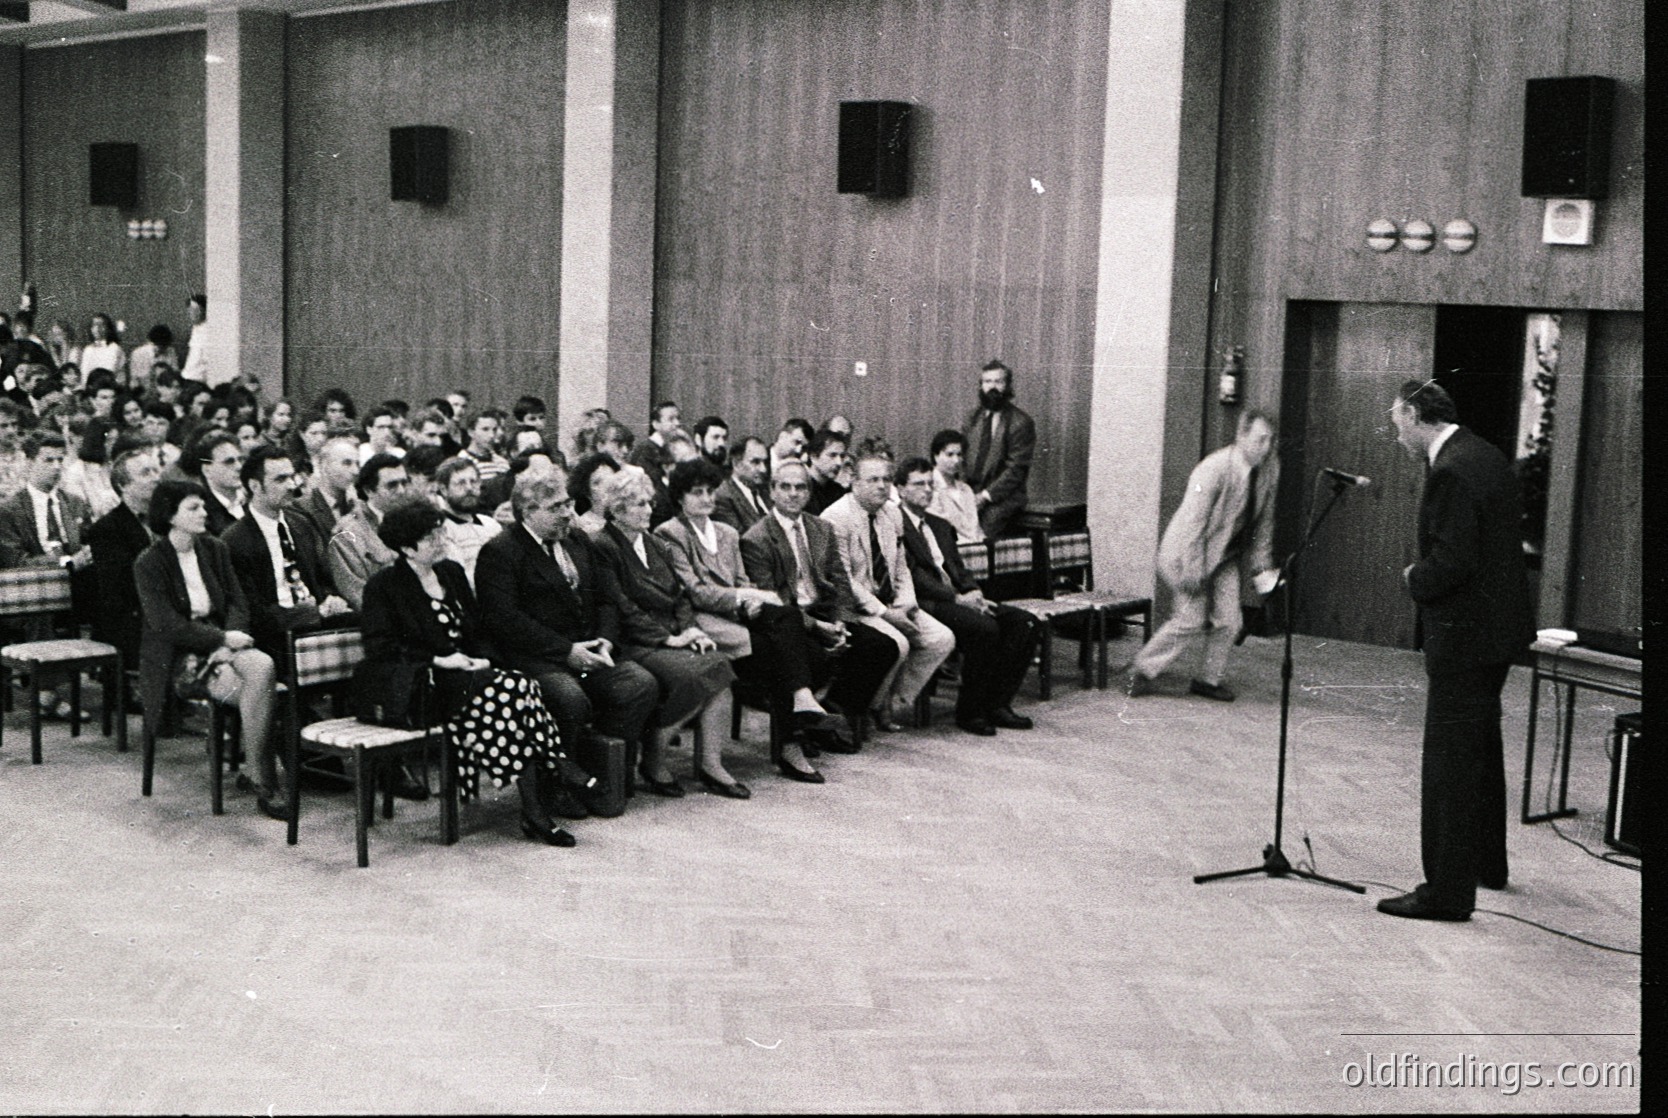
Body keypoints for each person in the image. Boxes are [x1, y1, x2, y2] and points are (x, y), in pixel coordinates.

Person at [1376, 379, 1534, 923]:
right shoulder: (1484, 454)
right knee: (1481, 751)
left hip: (1465, 638)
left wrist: (1414, 577)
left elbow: (1452, 560)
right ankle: (1488, 865)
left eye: (1397, 421)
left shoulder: (1449, 471)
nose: (1395, 433)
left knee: (1450, 763)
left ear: (1417, 414)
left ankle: (1445, 893)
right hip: (1495, 635)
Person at [359, 501, 587, 847]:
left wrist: (479, 659)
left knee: (512, 690)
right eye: (431, 536)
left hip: (472, 683)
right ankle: (555, 765)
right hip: (427, 688)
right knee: (513, 687)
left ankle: (536, 810)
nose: (441, 540)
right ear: (406, 548)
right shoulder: (385, 586)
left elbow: (478, 629)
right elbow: (380, 648)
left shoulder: (450, 572)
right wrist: (440, 659)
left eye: (440, 531)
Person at [656, 458, 848, 783]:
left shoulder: (728, 532)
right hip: (702, 621)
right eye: (696, 493)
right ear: (679, 498)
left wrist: (750, 601)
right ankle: (791, 742)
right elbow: (696, 592)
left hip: (738, 615)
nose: (706, 498)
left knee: (794, 630)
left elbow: (744, 579)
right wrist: (749, 598)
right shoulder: (670, 533)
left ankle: (799, 707)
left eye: (709, 491)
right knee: (787, 655)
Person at [473, 472, 658, 771]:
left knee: (640, 684)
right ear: (528, 511)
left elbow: (606, 599)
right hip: (539, 658)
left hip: (591, 650)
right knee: (569, 698)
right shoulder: (501, 551)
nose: (567, 513)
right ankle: (559, 779)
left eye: (568, 503)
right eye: (555, 507)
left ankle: (601, 766)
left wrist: (606, 641)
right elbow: (505, 620)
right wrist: (567, 651)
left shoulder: (577, 539)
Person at [133, 479, 281, 817]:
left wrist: (230, 637)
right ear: (170, 515)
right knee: (256, 688)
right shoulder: (149, 562)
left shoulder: (215, 549)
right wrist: (219, 641)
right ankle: (263, 778)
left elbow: (237, 602)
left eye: (202, 505)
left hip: (227, 643)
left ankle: (258, 773)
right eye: (193, 507)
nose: (204, 512)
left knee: (263, 667)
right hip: (180, 656)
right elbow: (165, 624)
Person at [590, 467, 737, 798]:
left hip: (673, 635)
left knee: (719, 670)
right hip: (636, 642)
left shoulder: (656, 544)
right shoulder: (603, 545)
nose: (649, 509)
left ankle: (710, 764)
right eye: (639, 504)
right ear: (617, 509)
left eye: (649, 502)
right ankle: (655, 752)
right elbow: (620, 604)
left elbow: (681, 597)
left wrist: (692, 630)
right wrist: (669, 638)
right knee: (713, 670)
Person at [740, 461, 899, 748]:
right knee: (815, 655)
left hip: (824, 612)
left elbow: (841, 582)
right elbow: (774, 603)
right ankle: (810, 724)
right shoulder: (757, 539)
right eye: (785, 487)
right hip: (787, 620)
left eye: (800, 487)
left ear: (809, 492)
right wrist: (817, 627)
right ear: (772, 492)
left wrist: (839, 622)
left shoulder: (822, 528)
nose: (793, 493)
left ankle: (835, 712)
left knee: (882, 647)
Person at [1128, 409, 1279, 702]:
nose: (1266, 448)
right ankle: (1141, 671)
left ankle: (1208, 680)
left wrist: (1262, 567)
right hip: (1186, 552)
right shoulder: (1214, 468)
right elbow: (1193, 524)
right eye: (1260, 440)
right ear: (1241, 436)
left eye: (1271, 441)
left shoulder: (1270, 469)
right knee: (1190, 619)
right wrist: (1193, 568)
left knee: (1230, 622)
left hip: (1224, 555)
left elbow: (1265, 523)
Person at [895, 456, 1040, 735]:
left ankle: (998, 704)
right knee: (984, 628)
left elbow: (958, 567)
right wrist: (958, 599)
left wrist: (973, 590)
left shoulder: (938, 524)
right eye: (917, 484)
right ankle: (970, 711)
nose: (926, 489)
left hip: (959, 597)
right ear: (900, 489)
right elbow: (915, 577)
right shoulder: (895, 523)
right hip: (929, 604)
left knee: (1024, 622)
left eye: (929, 484)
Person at [820, 454, 955, 731]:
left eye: (886, 480)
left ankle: (891, 701)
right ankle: (871, 707)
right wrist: (886, 614)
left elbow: (901, 566)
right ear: (854, 482)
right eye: (873, 480)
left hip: (893, 600)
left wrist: (906, 604)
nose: (882, 486)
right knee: (899, 643)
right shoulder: (836, 517)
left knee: (941, 638)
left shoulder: (892, 513)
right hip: (858, 606)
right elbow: (844, 580)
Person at [219, 446, 354, 656]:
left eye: (292, 477)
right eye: (280, 479)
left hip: (316, 622)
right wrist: (307, 613)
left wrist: (330, 598)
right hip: (275, 636)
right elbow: (252, 611)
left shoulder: (301, 523)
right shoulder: (234, 541)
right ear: (255, 486)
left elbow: (322, 577)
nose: (292, 485)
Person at [87, 447, 162, 677]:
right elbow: (122, 589)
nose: (156, 478)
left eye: (156, 470)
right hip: (131, 618)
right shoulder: (107, 529)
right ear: (123, 485)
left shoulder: (167, 520)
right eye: (145, 473)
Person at [961, 359, 1036, 537]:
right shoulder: (972, 417)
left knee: (982, 534)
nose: (992, 387)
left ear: (1007, 386)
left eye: (998, 382)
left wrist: (985, 496)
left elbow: (1016, 470)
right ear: (981, 386)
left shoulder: (1020, 422)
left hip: (1002, 498)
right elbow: (960, 457)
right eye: (987, 382)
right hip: (970, 493)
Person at [0, 430, 93, 572]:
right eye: (48, 460)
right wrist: (67, 563)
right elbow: (14, 561)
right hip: (36, 586)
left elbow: (90, 545)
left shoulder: (75, 503)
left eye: (60, 460)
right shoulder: (10, 510)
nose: (56, 467)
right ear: (29, 462)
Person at [326, 453, 410, 610]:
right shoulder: (347, 536)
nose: (401, 491)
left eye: (404, 483)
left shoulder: (417, 522)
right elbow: (359, 595)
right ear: (369, 491)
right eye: (392, 485)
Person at [434, 455, 501, 584]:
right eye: (461, 483)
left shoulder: (491, 524)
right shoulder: (442, 530)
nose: (469, 488)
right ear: (443, 489)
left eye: (473, 481)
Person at [183, 431, 247, 535]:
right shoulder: (201, 512)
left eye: (241, 460)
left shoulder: (254, 500)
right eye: (229, 462)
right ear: (207, 470)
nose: (239, 467)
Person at [926, 428, 983, 544]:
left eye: (959, 455)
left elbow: (975, 527)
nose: (956, 460)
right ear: (936, 455)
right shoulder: (929, 488)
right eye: (950, 455)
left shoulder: (966, 489)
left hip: (975, 548)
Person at [299, 434, 361, 537]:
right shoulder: (302, 510)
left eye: (357, 464)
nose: (356, 471)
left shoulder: (356, 507)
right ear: (324, 465)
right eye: (347, 463)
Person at [713, 436, 770, 533]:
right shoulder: (722, 498)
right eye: (755, 462)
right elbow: (741, 541)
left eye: (765, 462)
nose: (763, 469)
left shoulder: (766, 491)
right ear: (736, 464)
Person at [566, 451, 619, 538]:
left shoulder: (622, 520)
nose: (606, 486)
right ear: (586, 489)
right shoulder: (582, 525)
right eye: (597, 482)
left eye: (611, 480)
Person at [627, 400, 681, 476]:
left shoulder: (676, 448)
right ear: (656, 424)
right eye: (671, 419)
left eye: (678, 418)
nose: (677, 423)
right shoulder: (645, 450)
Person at [803, 429, 849, 515]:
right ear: (814, 457)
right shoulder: (801, 489)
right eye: (832, 455)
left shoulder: (839, 492)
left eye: (842, 456)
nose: (839, 462)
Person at [80, 313, 126, 382]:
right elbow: (84, 374)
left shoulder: (114, 348)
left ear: (108, 328)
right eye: (94, 325)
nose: (97, 328)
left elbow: (110, 372)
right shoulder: (88, 349)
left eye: (101, 325)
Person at [180, 295, 213, 386]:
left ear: (205, 311)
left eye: (196, 310)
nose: (192, 313)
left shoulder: (209, 330)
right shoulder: (195, 328)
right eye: (190, 310)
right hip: (188, 376)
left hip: (199, 380)